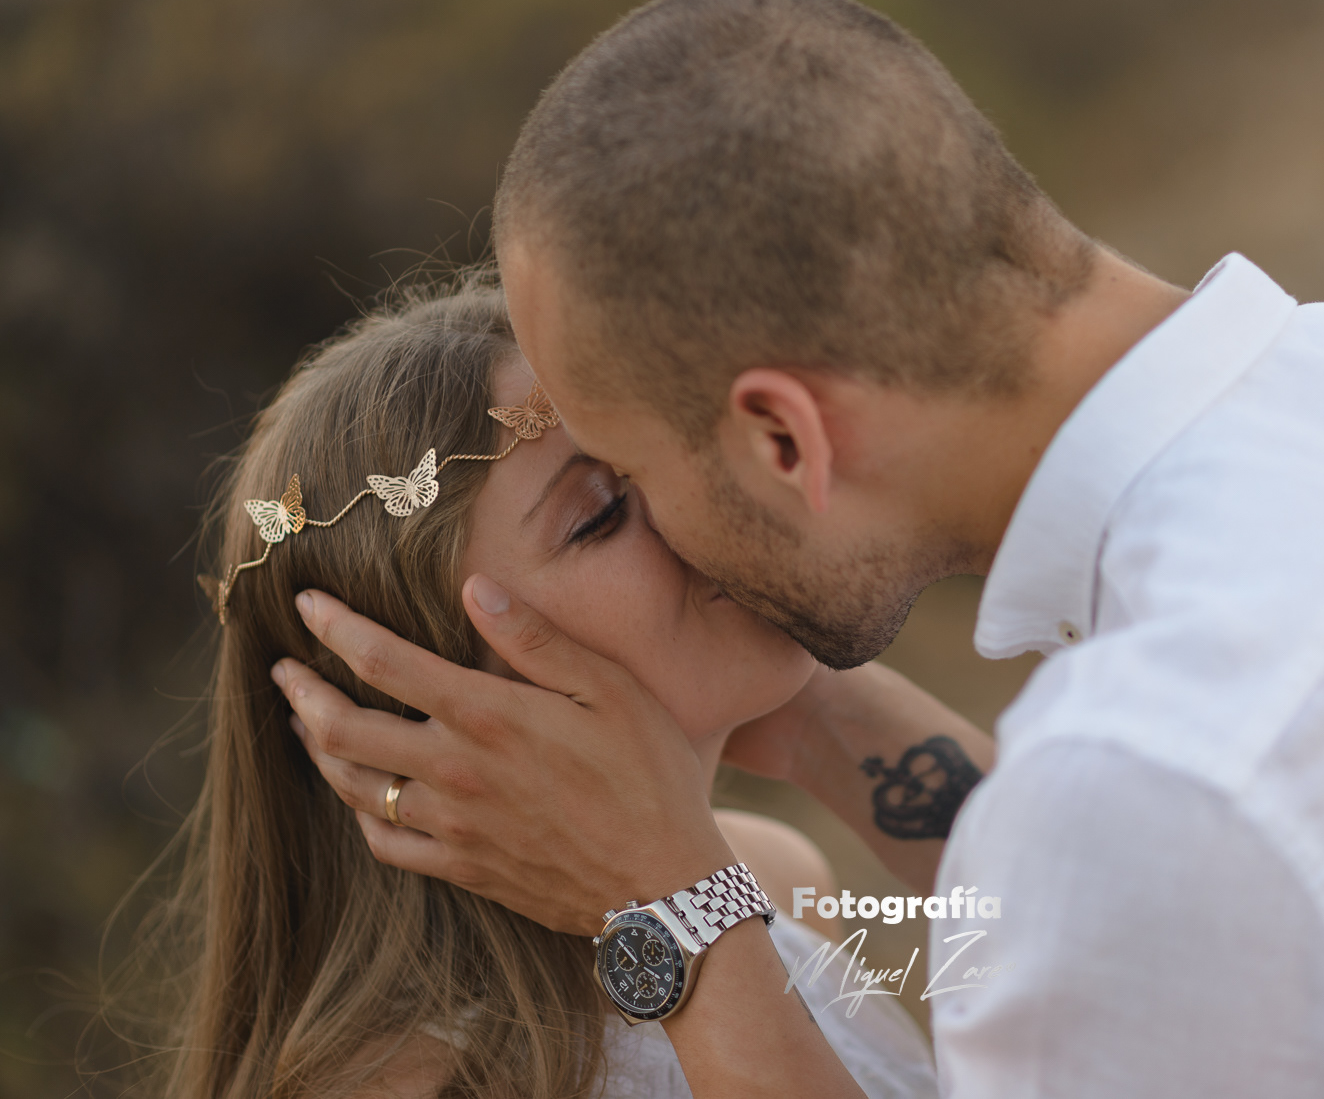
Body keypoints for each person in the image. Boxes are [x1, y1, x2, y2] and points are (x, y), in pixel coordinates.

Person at [281, 0, 1324, 1096]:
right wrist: (807, 718)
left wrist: (670, 912)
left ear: (782, 438)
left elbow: (1137, 865)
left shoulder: (1150, 786)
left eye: (628, 478)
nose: (680, 550)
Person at [136, 282, 943, 1098]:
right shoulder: (416, 1083)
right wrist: (684, 906)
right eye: (598, 514)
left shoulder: (769, 878)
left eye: (657, 451)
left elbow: (1072, 926)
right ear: (435, 698)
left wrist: (817, 709)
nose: (706, 498)